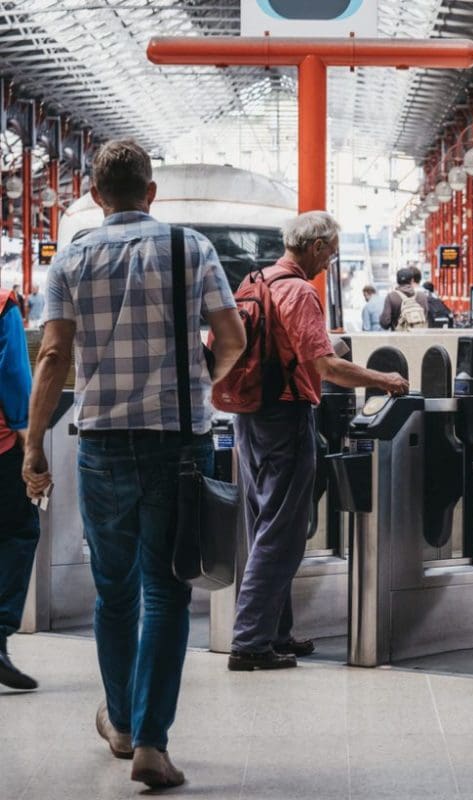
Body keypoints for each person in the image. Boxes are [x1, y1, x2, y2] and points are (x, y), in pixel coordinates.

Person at [21, 139, 248, 789]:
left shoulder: (70, 260)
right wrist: (195, 384)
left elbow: (53, 357)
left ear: (96, 197)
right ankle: (152, 743)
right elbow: (232, 341)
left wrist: (35, 445)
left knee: (114, 592)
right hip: (179, 445)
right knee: (166, 590)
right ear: (152, 192)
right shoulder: (190, 248)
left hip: (102, 446)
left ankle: (119, 723)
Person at [228, 211, 408, 674]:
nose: (329, 261)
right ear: (315, 246)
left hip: (248, 416)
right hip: (285, 416)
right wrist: (383, 379)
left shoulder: (255, 282)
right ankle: (250, 642)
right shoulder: (300, 290)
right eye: (329, 252)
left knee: (263, 526)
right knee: (282, 532)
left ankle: (275, 632)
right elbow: (327, 368)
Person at [0, 283, 37, 691]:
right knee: (18, 532)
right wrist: (28, 436)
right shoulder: (2, 303)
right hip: (1, 445)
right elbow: (11, 372)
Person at [379, 266, 428, 331]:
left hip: (399, 338)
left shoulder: (391, 297)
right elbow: (425, 317)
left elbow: (385, 323)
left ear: (397, 281)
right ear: (412, 280)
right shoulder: (422, 296)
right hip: (418, 337)